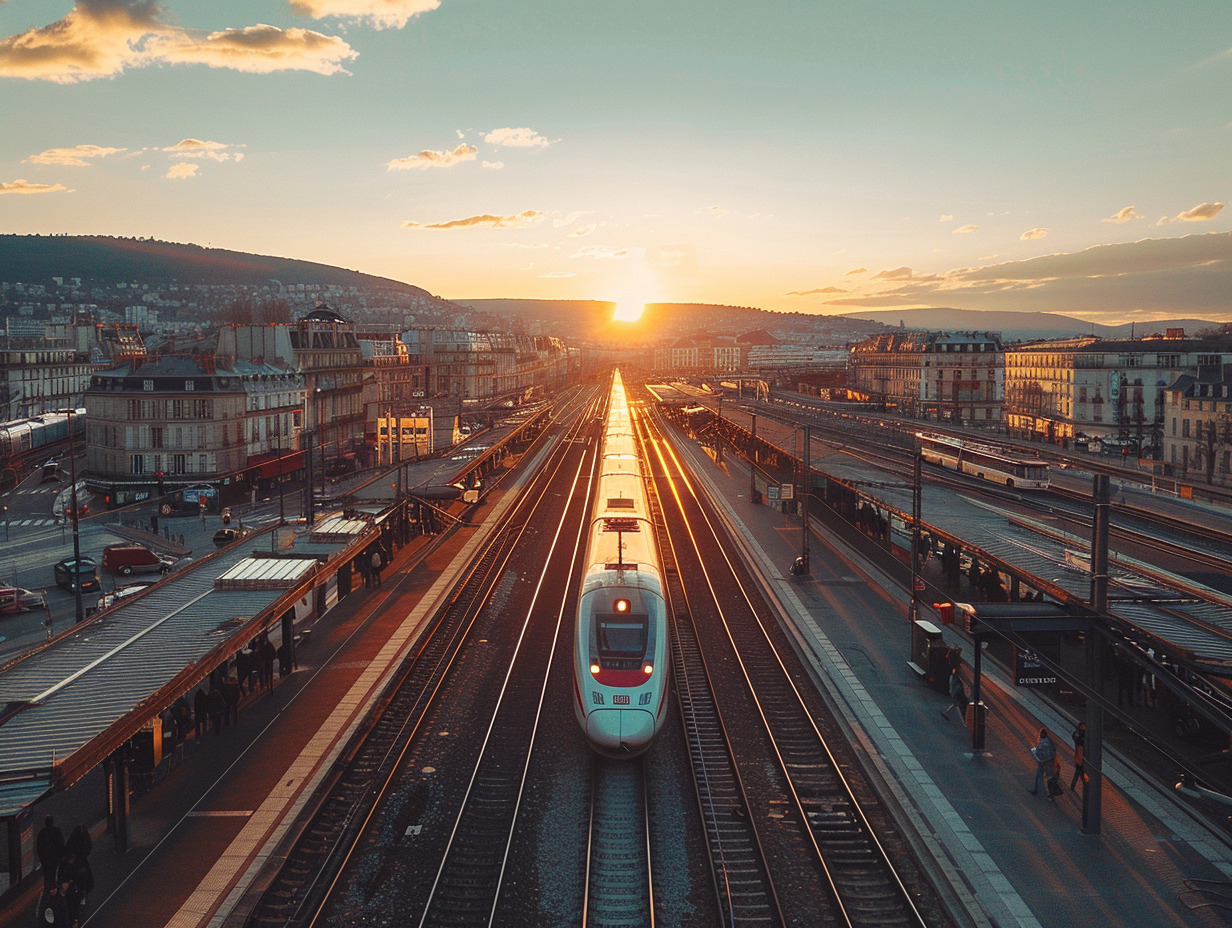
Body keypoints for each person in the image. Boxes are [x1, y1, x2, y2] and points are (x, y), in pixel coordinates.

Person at [35, 816, 64, 893]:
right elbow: (61, 844)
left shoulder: (42, 833)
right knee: (54, 872)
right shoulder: (57, 831)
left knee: (47, 873)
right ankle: (54, 887)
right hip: (55, 857)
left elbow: (39, 846)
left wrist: (41, 857)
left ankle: (47, 888)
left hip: (45, 858)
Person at [1029, 728, 1056, 796]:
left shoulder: (1043, 743)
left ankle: (1038, 790)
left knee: (1039, 776)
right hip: (1049, 762)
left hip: (1043, 762)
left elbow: (1040, 752)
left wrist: (1036, 751)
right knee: (1049, 778)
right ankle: (1050, 793)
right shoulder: (1049, 741)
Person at [1070, 722, 1087, 791]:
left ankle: (1073, 786)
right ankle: (1085, 785)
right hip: (1081, 760)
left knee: (1078, 773)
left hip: (1078, 759)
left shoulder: (1076, 735)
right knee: (1081, 773)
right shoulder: (1082, 740)